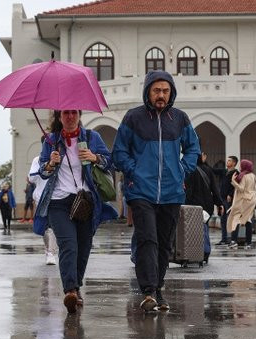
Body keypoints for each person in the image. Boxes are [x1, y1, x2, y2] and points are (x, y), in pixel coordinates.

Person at [112, 70, 200, 312]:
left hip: (172, 192)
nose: (161, 95)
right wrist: (134, 171)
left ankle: (158, 289)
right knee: (147, 239)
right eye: (156, 90)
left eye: (165, 91)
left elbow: (193, 148)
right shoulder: (133, 118)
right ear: (148, 92)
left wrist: (183, 169)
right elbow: (119, 151)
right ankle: (148, 290)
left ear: (171, 93)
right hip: (141, 191)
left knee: (164, 243)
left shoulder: (180, 119)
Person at [35, 109, 117, 314]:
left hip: (85, 201)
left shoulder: (91, 137)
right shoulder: (51, 141)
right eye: (65, 113)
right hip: (58, 202)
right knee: (68, 244)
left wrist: (94, 157)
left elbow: (110, 162)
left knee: (83, 247)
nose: (70, 117)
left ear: (79, 115)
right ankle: (70, 290)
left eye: (73, 113)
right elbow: (42, 174)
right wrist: (50, 163)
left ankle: (76, 287)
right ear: (59, 116)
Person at [183, 152, 222, 264]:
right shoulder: (208, 170)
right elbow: (215, 188)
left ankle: (191, 253)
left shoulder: (189, 170)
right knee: (204, 227)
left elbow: (187, 190)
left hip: (192, 204)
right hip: (206, 205)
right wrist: (219, 203)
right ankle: (205, 252)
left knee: (190, 230)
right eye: (203, 155)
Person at [29, 153, 58, 265]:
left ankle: (52, 251)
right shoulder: (37, 160)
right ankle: (49, 252)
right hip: (42, 197)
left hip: (59, 196)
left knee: (56, 226)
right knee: (47, 226)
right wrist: (45, 169)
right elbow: (31, 178)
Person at [227, 159, 256, 249]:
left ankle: (233, 241)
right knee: (248, 220)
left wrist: (233, 181)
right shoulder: (253, 176)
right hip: (251, 200)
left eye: (241, 165)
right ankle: (248, 243)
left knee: (236, 219)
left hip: (243, 200)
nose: (240, 167)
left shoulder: (244, 176)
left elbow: (241, 189)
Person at [216, 156, 239, 246]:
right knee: (223, 219)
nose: (227, 162)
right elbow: (213, 171)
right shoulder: (225, 172)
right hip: (222, 199)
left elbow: (236, 185)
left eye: (229, 161)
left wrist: (231, 194)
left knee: (230, 219)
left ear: (234, 163)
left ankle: (232, 239)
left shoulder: (236, 173)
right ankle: (224, 239)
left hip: (229, 200)